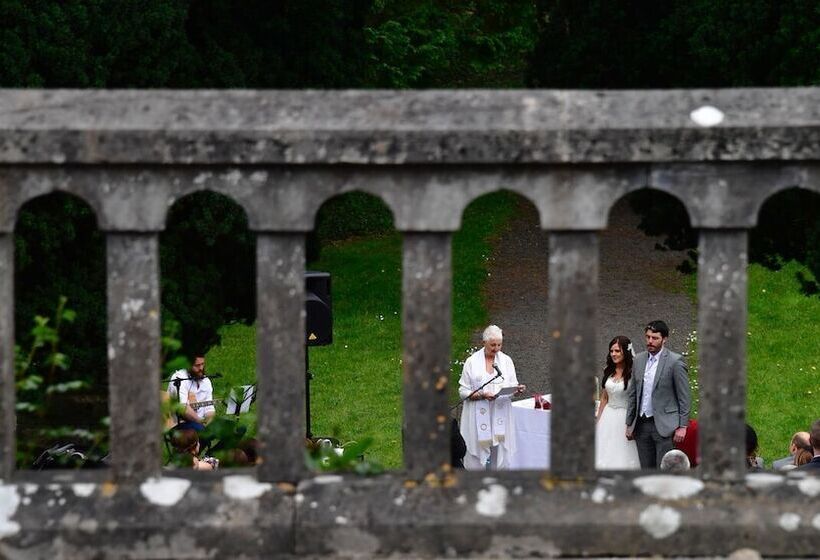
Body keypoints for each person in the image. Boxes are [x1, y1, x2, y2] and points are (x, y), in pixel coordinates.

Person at [458, 325, 526, 470]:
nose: (496, 348)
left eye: (499, 345)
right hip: (477, 413)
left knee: (499, 450)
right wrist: (482, 395)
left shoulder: (506, 361)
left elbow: (512, 385)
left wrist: (517, 390)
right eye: (492, 345)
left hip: (499, 413)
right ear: (484, 343)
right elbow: (463, 391)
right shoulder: (471, 362)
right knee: (476, 450)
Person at [626, 320, 691, 469]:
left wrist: (682, 426)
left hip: (665, 425)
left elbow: (684, 396)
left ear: (664, 339)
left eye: (654, 338)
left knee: (664, 469)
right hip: (641, 424)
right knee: (646, 469)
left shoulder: (675, 362)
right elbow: (633, 394)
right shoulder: (639, 359)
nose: (650, 341)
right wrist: (629, 423)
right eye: (648, 337)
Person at [595, 336, 640, 470]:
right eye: (611, 351)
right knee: (603, 450)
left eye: (617, 351)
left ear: (626, 352)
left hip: (624, 417)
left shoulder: (634, 373)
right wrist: (598, 419)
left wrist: (632, 424)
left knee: (621, 453)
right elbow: (604, 398)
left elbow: (636, 398)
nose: (613, 354)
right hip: (607, 416)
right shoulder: (608, 370)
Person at [167, 355, 216, 431]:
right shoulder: (179, 379)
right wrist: (201, 423)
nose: (201, 368)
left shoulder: (206, 381)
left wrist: (208, 423)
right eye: (197, 365)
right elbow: (183, 409)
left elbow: (209, 408)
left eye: (202, 364)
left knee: (228, 429)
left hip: (200, 423)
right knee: (202, 431)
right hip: (180, 423)